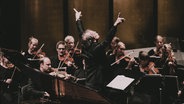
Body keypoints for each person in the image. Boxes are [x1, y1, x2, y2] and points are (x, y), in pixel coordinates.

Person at [74, 8, 125, 91]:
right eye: (93, 32)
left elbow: (81, 32)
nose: (95, 31)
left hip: (90, 81)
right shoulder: (95, 48)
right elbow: (107, 41)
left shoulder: (86, 45)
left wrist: (78, 19)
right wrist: (115, 25)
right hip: (97, 83)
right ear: (92, 38)